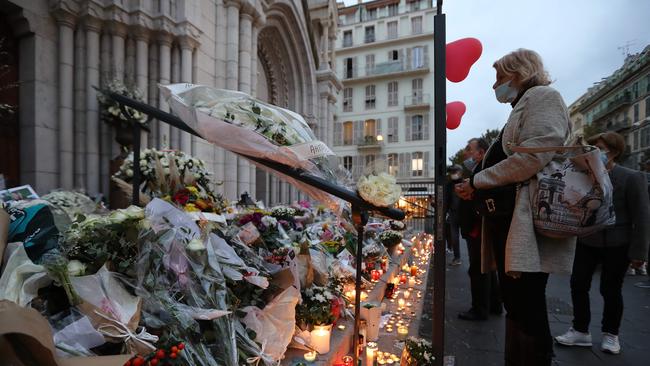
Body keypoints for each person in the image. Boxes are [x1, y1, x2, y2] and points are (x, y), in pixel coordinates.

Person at [455, 48, 575, 366]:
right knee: (517, 300)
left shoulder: (543, 97)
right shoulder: (522, 103)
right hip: (508, 221)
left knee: (526, 301)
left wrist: (477, 182)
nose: (496, 85)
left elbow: (533, 157)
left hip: (526, 221)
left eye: (500, 77)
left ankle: (535, 358)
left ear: (519, 73)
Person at [555, 132, 650, 354]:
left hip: (618, 244)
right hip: (587, 240)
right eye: (593, 147)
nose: (595, 152)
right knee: (578, 284)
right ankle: (580, 330)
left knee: (611, 290)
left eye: (600, 148)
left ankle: (610, 334)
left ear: (614, 152)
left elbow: (642, 217)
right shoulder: (585, 175)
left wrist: (640, 253)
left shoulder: (631, 177)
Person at [457, 137, 502, 321]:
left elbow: (482, 195)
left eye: (470, 149)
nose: (466, 152)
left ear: (481, 153)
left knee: (478, 269)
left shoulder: (482, 171)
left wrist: (468, 194)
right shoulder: (479, 170)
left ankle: (479, 309)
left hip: (478, 227)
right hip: (480, 226)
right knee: (487, 267)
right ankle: (494, 304)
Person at [446, 165, 463, 266]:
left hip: (462, 213)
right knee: (454, 237)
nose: (453, 174)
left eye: (454, 172)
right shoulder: (449, 185)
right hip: (453, 213)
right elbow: (447, 199)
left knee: (468, 237)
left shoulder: (464, 182)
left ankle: (458, 258)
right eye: (451, 172)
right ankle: (457, 257)